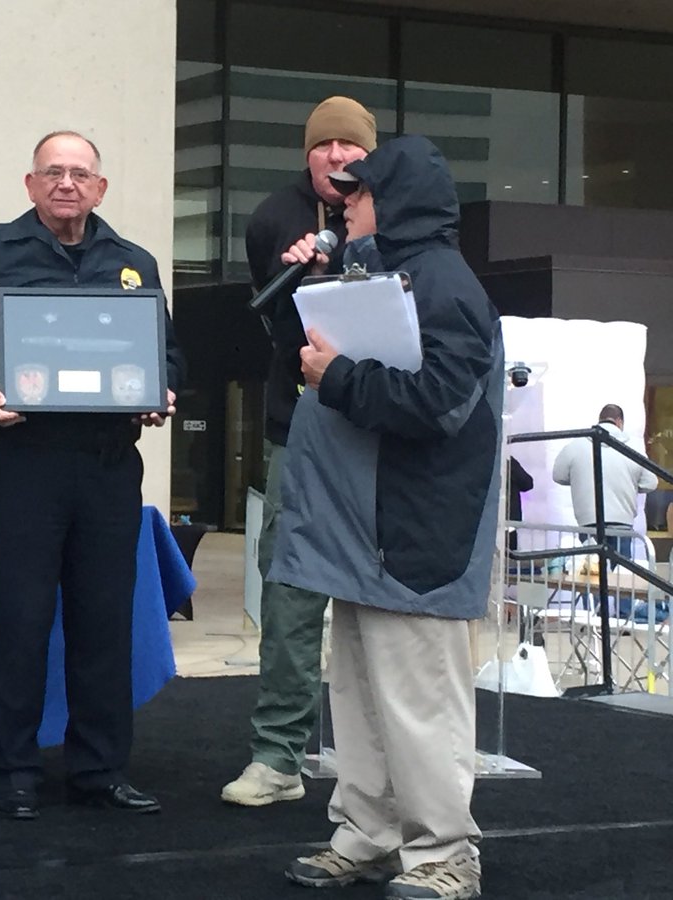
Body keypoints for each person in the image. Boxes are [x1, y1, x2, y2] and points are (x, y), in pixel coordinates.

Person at [0, 131, 185, 820]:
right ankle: (10, 771)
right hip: (24, 465)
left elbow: (168, 354)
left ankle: (99, 771)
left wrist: (163, 391)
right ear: (30, 184)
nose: (67, 184)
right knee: (19, 621)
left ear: (100, 188)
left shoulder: (134, 263)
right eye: (53, 173)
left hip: (107, 467)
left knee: (105, 623)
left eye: (80, 174)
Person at [275, 135, 497, 900]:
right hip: (366, 533)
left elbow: (438, 404)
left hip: (412, 533)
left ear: (395, 200)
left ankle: (444, 855)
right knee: (364, 698)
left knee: (418, 702)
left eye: (358, 193)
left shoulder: (445, 286)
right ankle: (367, 833)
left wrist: (336, 376)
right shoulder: (384, 273)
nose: (344, 202)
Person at [222, 96, 378, 808]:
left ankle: (381, 755)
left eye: (351, 149)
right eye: (326, 147)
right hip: (301, 427)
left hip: (379, 429)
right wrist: (305, 278)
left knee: (382, 595)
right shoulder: (272, 220)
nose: (338, 159)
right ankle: (279, 754)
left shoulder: (393, 217)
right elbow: (275, 328)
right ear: (307, 154)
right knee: (289, 588)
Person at [552, 403, 657, 565]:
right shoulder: (633, 449)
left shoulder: (575, 445)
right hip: (622, 525)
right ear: (619, 422)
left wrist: (579, 480)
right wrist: (631, 485)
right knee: (620, 578)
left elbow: (558, 475)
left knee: (588, 575)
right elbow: (651, 483)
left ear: (599, 420)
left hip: (588, 523)